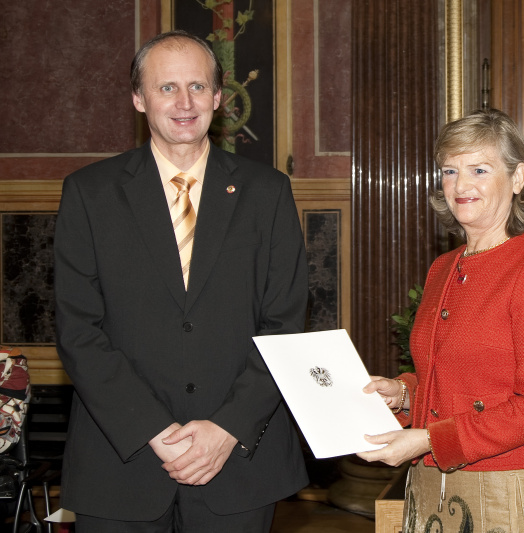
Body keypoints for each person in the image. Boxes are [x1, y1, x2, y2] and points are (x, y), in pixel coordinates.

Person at [54, 30, 308, 531]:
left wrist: (227, 428)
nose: (184, 102)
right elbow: (78, 330)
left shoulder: (268, 193)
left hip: (238, 461)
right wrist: (154, 430)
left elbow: (285, 325)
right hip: (120, 460)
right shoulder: (89, 193)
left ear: (218, 97)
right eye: (167, 87)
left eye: (198, 86)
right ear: (138, 98)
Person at [358, 109, 524, 532]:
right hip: (430, 480)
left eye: (479, 169)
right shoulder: (443, 267)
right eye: (450, 170)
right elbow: (458, 378)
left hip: (509, 487)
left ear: (517, 179)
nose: (461, 185)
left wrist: (428, 439)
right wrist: (404, 394)